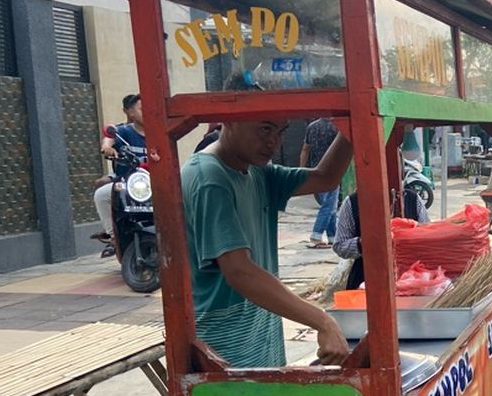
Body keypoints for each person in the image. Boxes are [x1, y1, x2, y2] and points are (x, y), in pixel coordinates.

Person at [181, 113, 354, 369]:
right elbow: (240, 271)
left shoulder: (256, 171)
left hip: (260, 336)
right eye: (264, 129)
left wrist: (354, 124)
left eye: (281, 131)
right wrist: (322, 320)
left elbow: (326, 177)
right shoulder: (210, 178)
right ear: (229, 120)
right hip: (224, 349)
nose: (274, 142)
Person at [334, 186, 430, 291]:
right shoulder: (353, 202)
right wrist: (363, 243)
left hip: (411, 279)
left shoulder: (413, 199)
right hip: (365, 279)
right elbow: (340, 245)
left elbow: (428, 237)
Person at [93, 94, 146, 257]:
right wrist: (108, 148)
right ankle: (114, 237)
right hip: (127, 184)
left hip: (153, 184)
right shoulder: (123, 132)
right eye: (142, 109)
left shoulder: (159, 132)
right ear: (130, 112)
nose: (147, 112)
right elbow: (109, 139)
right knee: (101, 195)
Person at [300, 117, 340, 248]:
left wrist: (302, 170)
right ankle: (316, 234)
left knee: (329, 205)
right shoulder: (337, 127)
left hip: (316, 169)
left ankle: (332, 237)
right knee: (329, 205)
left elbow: (305, 149)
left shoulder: (312, 126)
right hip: (333, 170)